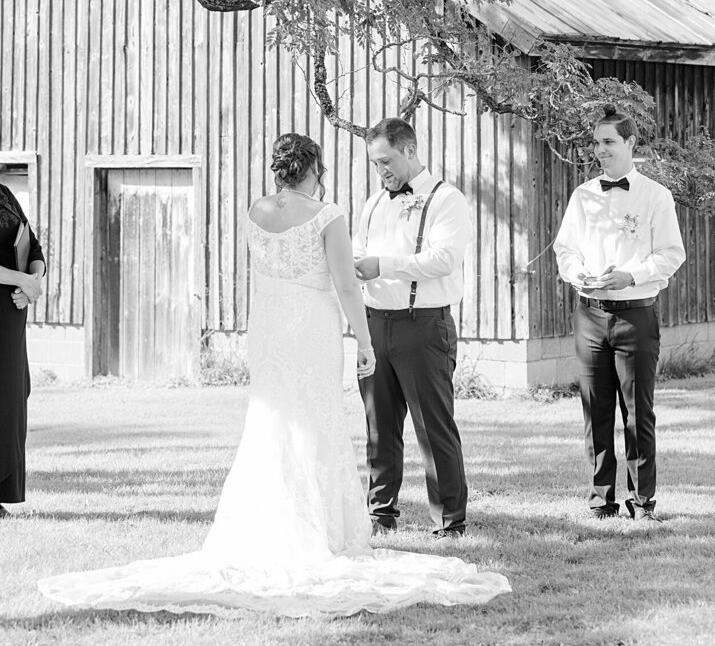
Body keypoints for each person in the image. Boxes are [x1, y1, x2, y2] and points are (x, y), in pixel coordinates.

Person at [39, 133, 509, 615]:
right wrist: (363, 342)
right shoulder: (331, 215)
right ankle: (331, 526)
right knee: (322, 419)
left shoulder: (256, 213)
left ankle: (297, 524)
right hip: (312, 328)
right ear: (314, 168)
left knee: (273, 423)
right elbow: (346, 283)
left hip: (270, 328)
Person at [553, 105, 685, 524]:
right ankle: (600, 500)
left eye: (608, 142)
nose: (600, 150)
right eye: (596, 142)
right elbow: (565, 250)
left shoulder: (655, 196)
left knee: (637, 412)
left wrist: (631, 275)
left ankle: (643, 503)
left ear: (630, 143)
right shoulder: (583, 195)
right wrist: (579, 274)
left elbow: (671, 254)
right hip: (589, 315)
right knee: (595, 411)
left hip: (635, 316)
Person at [354, 117, 470, 538]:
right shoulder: (372, 204)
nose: (381, 170)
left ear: (409, 150)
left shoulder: (446, 199)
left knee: (432, 427)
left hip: (423, 326)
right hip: (374, 324)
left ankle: (450, 520)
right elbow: (360, 252)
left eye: (386, 161)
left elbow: (444, 259)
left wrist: (382, 266)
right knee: (379, 427)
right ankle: (380, 513)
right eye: (374, 163)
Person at [0, 181, 46, 518]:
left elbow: (33, 247)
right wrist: (21, 281)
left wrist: (32, 281)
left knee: (12, 398)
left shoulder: (5, 193)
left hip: (11, 317)